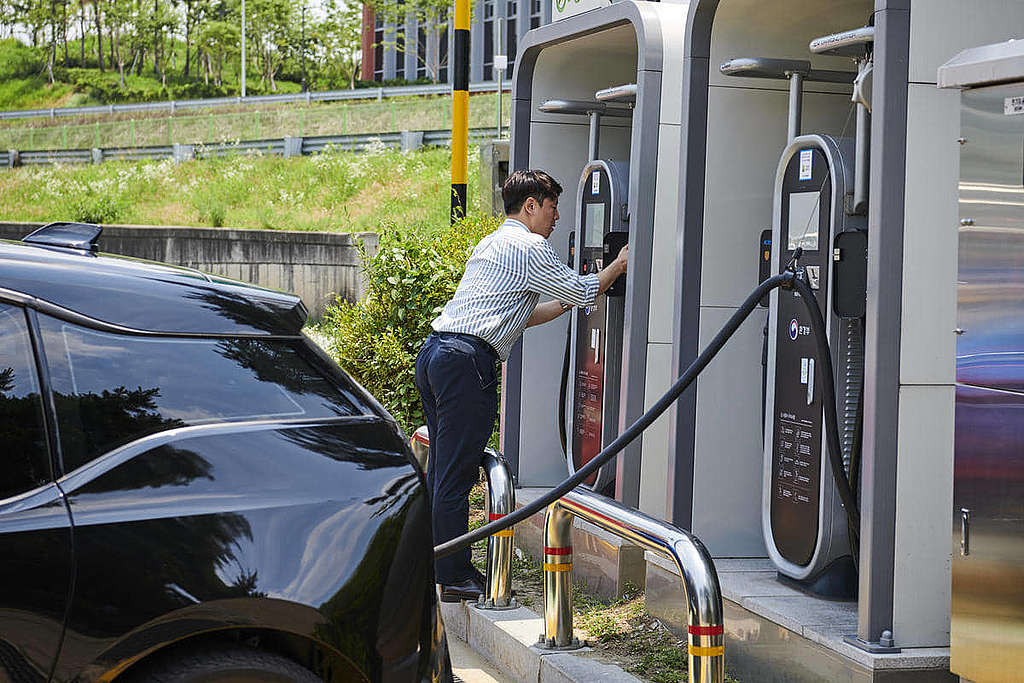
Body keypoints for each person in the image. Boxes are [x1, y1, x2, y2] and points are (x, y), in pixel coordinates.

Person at [414, 169, 629, 602]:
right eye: (552, 209)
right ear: (530, 206)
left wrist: (569, 297)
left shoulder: (494, 242)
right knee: (455, 475)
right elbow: (584, 288)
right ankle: (453, 575)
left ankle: (442, 565)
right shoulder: (529, 246)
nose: (556, 219)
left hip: (436, 353)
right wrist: (620, 264)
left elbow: (523, 313)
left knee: (441, 472)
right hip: (466, 363)